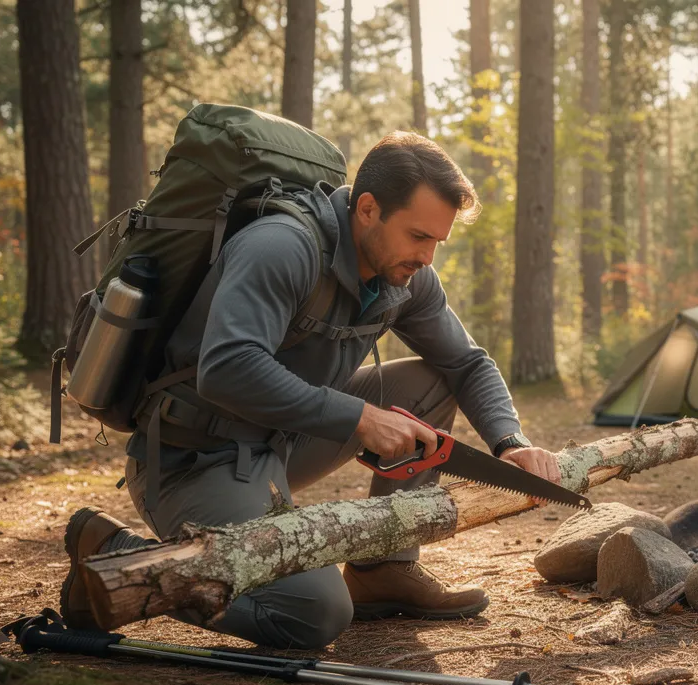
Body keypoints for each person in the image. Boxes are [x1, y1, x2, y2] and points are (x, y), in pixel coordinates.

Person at [59, 131, 560, 649]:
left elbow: (467, 363)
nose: (428, 257)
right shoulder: (282, 247)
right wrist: (362, 419)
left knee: (430, 382)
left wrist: (509, 442)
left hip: (279, 443)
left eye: (437, 241)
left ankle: (382, 570)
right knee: (312, 613)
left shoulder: (404, 277)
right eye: (417, 236)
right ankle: (117, 558)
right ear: (367, 209)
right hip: (198, 455)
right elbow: (228, 368)